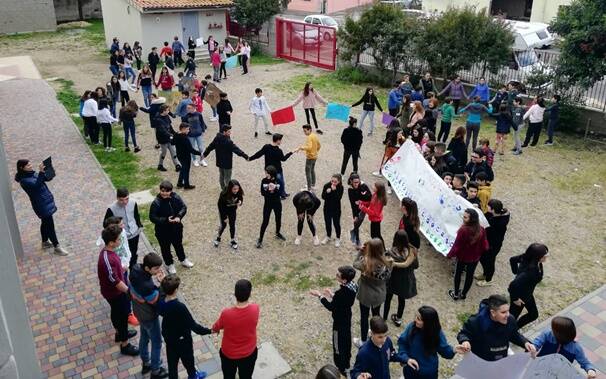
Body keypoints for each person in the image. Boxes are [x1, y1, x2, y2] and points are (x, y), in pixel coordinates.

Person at [97, 224, 139, 356]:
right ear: (111, 242)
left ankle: (120, 333)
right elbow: (114, 280)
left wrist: (122, 269)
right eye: (118, 240)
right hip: (115, 294)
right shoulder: (107, 259)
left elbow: (114, 272)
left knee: (117, 313)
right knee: (121, 316)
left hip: (115, 292)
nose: (120, 241)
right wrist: (129, 291)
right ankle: (124, 344)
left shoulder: (109, 252)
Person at [158, 275, 210, 379]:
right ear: (176, 289)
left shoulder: (161, 302)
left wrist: (162, 284)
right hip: (183, 340)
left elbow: (162, 294)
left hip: (169, 339)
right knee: (188, 360)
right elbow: (194, 326)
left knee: (172, 364)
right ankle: (193, 376)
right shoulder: (180, 307)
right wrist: (209, 331)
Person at [310, 266, 358, 377]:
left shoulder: (341, 293)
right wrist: (332, 295)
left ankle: (341, 368)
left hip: (339, 323)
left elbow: (331, 306)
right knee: (346, 342)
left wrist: (320, 296)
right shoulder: (353, 286)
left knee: (338, 346)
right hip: (346, 318)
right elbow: (342, 301)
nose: (336, 276)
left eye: (338, 275)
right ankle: (347, 363)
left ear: (344, 280)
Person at [457, 294, 536, 361]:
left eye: (508, 311)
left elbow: (514, 335)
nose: (508, 315)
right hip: (482, 361)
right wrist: (465, 341)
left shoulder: (510, 319)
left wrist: (525, 343)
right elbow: (463, 334)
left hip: (501, 359)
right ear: (493, 312)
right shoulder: (476, 321)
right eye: (503, 312)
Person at [15, 159, 69, 256]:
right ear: (21, 168)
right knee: (50, 225)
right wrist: (40, 172)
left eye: (30, 164)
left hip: (45, 201)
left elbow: (44, 179)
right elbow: (37, 185)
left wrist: (49, 171)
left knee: (45, 222)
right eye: (27, 165)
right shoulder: (24, 181)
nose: (31, 166)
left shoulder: (32, 173)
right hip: (40, 204)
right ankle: (57, 247)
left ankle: (45, 242)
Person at [129, 253, 169, 379]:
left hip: (138, 312)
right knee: (157, 342)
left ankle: (146, 363)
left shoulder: (135, 269)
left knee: (144, 337)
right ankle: (156, 371)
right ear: (147, 268)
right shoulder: (147, 286)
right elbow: (156, 301)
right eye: (156, 269)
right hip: (149, 316)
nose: (159, 270)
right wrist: (162, 284)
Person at [397, 306, 464, 379]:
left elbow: (444, 351)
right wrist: (405, 358)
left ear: (428, 322)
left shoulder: (437, 334)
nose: (415, 320)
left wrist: (454, 350)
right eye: (416, 316)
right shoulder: (412, 327)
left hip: (428, 375)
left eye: (419, 319)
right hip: (410, 370)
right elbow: (402, 343)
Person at [212, 279, 260, 379]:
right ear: (250, 294)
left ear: (235, 294)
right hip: (249, 352)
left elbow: (215, 327)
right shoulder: (255, 309)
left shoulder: (226, 314)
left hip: (229, 354)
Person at [149, 181, 194, 274]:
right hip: (162, 230)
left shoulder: (175, 197)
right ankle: (170, 264)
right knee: (165, 248)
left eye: (167, 191)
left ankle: (183, 259)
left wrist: (179, 216)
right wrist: (165, 220)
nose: (164, 193)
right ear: (160, 190)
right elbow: (152, 217)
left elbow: (183, 207)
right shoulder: (156, 203)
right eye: (162, 191)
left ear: (171, 191)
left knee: (178, 244)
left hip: (176, 228)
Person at [353, 239, 392, 346]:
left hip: (365, 294)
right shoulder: (387, 262)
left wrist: (361, 252)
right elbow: (388, 278)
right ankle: (376, 334)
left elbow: (354, 264)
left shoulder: (365, 262)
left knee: (364, 316)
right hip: (379, 294)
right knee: (376, 315)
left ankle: (363, 340)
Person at [533, 317, 597, 379]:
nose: (551, 330)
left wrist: (590, 370)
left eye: (554, 330)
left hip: (560, 373)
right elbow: (537, 342)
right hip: (541, 366)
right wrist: (533, 347)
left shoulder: (576, 348)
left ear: (560, 334)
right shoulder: (547, 334)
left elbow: (585, 362)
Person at [447, 208, 488, 300]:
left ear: (471, 219)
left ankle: (456, 294)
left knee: (458, 274)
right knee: (470, 275)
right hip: (475, 258)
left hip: (463, 257)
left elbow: (457, 246)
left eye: (465, 217)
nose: (463, 218)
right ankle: (464, 294)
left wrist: (450, 254)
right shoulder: (481, 229)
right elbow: (485, 245)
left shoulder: (463, 230)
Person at [509, 243, 549, 329]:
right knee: (510, 320)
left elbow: (513, 260)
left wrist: (516, 272)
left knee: (533, 314)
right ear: (537, 256)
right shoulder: (530, 272)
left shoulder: (528, 258)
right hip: (520, 298)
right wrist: (515, 299)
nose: (546, 256)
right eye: (544, 255)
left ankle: (515, 329)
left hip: (528, 294)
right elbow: (512, 285)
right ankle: (505, 335)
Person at [384, 230, 418, 327]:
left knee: (388, 298)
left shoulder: (392, 251)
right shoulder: (411, 250)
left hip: (393, 278)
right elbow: (407, 263)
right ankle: (398, 319)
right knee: (401, 299)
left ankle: (384, 318)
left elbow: (402, 264)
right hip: (405, 279)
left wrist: (394, 264)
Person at [104, 187, 143, 268]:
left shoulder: (133, 202)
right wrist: (116, 228)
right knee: (123, 255)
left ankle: (133, 271)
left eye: (127, 199)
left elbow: (136, 215)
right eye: (122, 200)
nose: (125, 202)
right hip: (121, 237)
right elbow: (105, 224)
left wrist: (139, 226)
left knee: (133, 253)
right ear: (117, 198)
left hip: (135, 233)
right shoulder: (111, 209)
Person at [475, 199, 510, 287]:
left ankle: (488, 279)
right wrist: (477, 209)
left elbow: (491, 233)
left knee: (489, 262)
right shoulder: (492, 215)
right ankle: (485, 274)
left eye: (489, 206)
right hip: (486, 243)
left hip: (492, 246)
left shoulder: (499, 223)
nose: (487, 207)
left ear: (493, 209)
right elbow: (483, 216)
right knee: (482, 259)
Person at [203, 124, 249, 190]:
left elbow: (210, 146)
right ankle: (228, 192)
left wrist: (205, 154)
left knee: (221, 176)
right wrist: (245, 156)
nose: (230, 133)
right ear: (224, 132)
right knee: (228, 179)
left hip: (219, 161)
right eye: (228, 131)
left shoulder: (217, 138)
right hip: (227, 163)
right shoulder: (228, 141)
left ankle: (223, 189)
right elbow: (236, 150)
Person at [249, 133, 293, 199]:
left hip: (268, 170)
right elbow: (283, 159)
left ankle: (281, 193)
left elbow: (258, 154)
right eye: (280, 140)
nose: (281, 141)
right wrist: (290, 153)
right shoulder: (279, 151)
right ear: (278, 140)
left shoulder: (266, 147)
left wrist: (250, 158)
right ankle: (281, 194)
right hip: (277, 170)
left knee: (271, 182)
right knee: (281, 182)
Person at [255, 165, 286, 248]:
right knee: (265, 221)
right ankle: (260, 239)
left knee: (278, 218)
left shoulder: (278, 181)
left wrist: (275, 189)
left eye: (267, 173)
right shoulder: (264, 181)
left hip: (277, 203)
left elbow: (281, 193)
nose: (265, 174)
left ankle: (278, 233)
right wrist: (269, 189)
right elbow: (262, 193)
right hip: (268, 204)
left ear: (271, 174)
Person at [213, 179, 243, 250]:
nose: (236, 190)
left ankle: (232, 240)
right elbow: (220, 206)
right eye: (234, 189)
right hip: (224, 211)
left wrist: (240, 202)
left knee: (232, 225)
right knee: (223, 225)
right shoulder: (224, 194)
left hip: (232, 211)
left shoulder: (238, 192)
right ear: (230, 188)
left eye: (237, 189)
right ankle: (218, 237)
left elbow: (241, 199)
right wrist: (224, 217)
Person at [173, 123, 201, 190]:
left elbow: (172, 142)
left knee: (183, 169)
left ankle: (179, 183)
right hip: (185, 156)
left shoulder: (176, 134)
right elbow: (191, 150)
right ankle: (186, 185)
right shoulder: (184, 138)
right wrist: (200, 153)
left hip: (179, 155)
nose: (188, 130)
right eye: (187, 129)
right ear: (183, 129)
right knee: (186, 170)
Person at [348, 173, 372, 248]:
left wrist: (362, 198)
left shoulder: (363, 186)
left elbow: (370, 197)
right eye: (355, 182)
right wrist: (355, 215)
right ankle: (357, 240)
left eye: (358, 182)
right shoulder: (350, 190)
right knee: (356, 222)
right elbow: (352, 203)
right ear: (351, 181)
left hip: (364, 207)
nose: (356, 184)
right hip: (356, 208)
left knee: (359, 222)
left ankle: (354, 231)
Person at [154, 105, 181, 172]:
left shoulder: (166, 116)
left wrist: (175, 133)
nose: (169, 111)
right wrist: (171, 135)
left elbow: (170, 126)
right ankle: (160, 165)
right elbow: (162, 130)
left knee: (173, 151)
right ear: (163, 111)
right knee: (164, 152)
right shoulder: (158, 120)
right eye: (167, 110)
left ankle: (177, 165)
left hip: (169, 138)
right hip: (163, 139)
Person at [296, 124, 321, 191]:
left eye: (305, 131)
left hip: (310, 158)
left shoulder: (309, 137)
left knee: (308, 172)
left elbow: (309, 147)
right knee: (312, 170)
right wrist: (315, 151)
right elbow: (319, 145)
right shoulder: (314, 135)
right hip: (315, 156)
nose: (304, 132)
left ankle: (309, 188)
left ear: (309, 130)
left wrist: (301, 147)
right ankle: (313, 184)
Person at [321, 174, 344, 247]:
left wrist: (334, 191)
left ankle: (338, 238)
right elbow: (323, 197)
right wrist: (327, 192)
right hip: (327, 208)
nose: (333, 183)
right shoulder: (326, 185)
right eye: (332, 181)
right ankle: (328, 236)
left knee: (336, 223)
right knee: (328, 223)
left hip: (336, 209)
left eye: (335, 182)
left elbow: (338, 198)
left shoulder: (341, 187)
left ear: (339, 181)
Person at [182, 103, 208, 167]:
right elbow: (183, 126)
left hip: (198, 134)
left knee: (201, 148)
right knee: (192, 148)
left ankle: (202, 160)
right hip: (190, 135)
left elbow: (202, 122)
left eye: (189, 108)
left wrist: (203, 130)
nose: (187, 109)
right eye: (187, 108)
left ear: (193, 108)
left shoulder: (199, 114)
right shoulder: (185, 116)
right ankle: (194, 160)